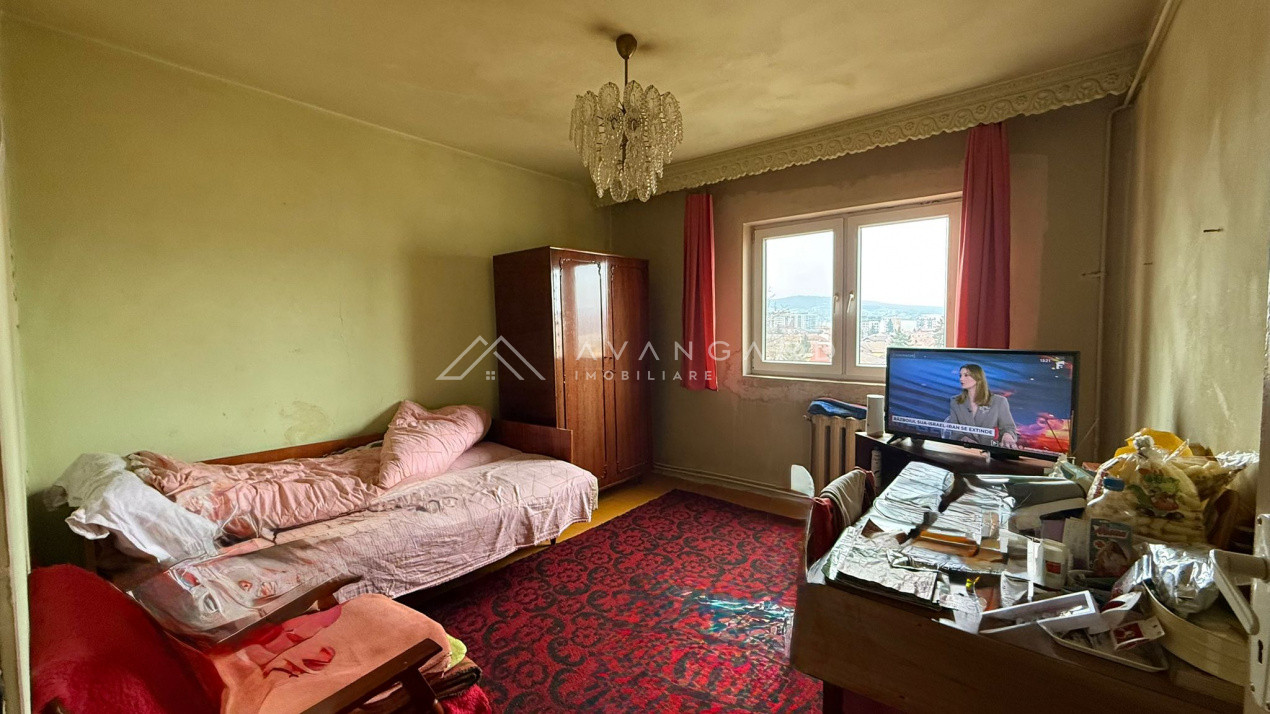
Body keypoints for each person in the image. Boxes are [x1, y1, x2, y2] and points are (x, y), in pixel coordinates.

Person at [945, 364, 1018, 448]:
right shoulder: (955, 401)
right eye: (960, 375)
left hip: (991, 451)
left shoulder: (999, 401)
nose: (961, 379)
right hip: (965, 449)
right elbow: (954, 428)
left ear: (978, 377)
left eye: (966, 375)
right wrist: (963, 438)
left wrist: (1007, 436)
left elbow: (1008, 427)